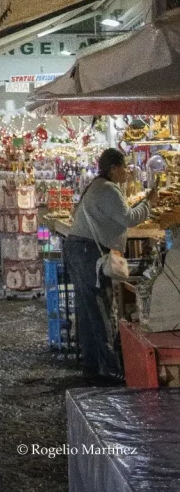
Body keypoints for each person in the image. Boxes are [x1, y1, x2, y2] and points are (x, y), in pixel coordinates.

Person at [64, 148, 156, 382]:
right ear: (114, 168)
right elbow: (128, 218)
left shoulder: (98, 186)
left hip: (78, 250)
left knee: (87, 311)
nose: (127, 172)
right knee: (99, 307)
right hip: (87, 253)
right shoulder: (107, 189)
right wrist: (149, 203)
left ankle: (93, 364)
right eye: (124, 166)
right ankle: (110, 367)